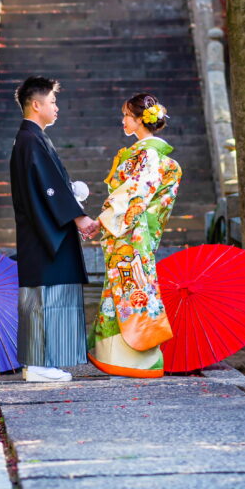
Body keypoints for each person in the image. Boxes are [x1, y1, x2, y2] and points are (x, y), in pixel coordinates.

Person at [10, 76, 99, 383]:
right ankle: (37, 364)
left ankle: (38, 363)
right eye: (52, 102)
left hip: (44, 230)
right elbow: (49, 189)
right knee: (44, 297)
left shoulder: (32, 139)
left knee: (44, 296)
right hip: (45, 233)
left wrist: (71, 193)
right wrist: (80, 219)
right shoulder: (31, 140)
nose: (56, 107)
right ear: (36, 105)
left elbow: (51, 186)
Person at [87, 93, 181, 379]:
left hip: (130, 233)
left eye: (127, 115)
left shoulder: (148, 155)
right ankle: (118, 355)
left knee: (131, 289)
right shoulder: (149, 154)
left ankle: (132, 359)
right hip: (134, 233)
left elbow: (133, 196)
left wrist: (102, 220)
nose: (123, 120)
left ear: (141, 120)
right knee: (129, 289)